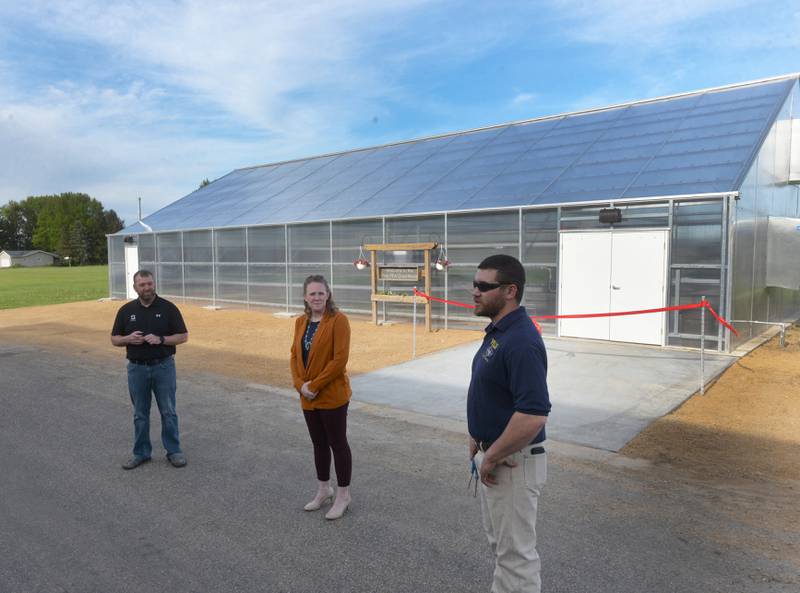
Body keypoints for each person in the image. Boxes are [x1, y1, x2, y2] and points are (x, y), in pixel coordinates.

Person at [467, 254, 551, 593]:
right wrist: (477, 437)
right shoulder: (501, 330)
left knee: (516, 558)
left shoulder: (521, 341)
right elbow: (494, 392)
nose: (474, 291)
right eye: (475, 284)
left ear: (510, 291)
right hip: (497, 457)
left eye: (483, 286)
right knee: (503, 551)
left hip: (512, 462)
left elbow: (533, 414)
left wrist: (492, 454)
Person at [111, 269, 189, 470]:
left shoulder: (168, 308)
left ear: (154, 284)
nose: (147, 288)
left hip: (163, 366)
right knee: (140, 414)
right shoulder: (126, 311)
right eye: (142, 285)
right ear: (135, 287)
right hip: (137, 370)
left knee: (168, 411)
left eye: (150, 284)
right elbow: (114, 339)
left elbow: (183, 336)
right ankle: (141, 453)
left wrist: (161, 339)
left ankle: (174, 451)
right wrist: (128, 339)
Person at [290, 274, 353, 520]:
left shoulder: (339, 321)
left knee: (337, 444)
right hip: (308, 396)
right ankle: (323, 489)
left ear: (328, 294)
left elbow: (339, 360)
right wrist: (300, 385)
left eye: (320, 293)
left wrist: (314, 385)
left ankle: (344, 494)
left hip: (332, 395)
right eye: (312, 293)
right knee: (318, 444)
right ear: (305, 297)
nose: (316, 297)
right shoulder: (300, 322)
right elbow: (294, 356)